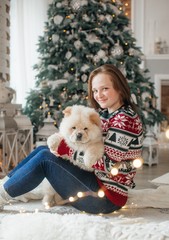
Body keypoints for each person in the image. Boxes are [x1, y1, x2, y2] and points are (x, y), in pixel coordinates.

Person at [0, 64, 143, 214]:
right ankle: (4, 185)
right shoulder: (109, 113)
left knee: (45, 158)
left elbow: (109, 165)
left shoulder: (124, 120)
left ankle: (2, 195)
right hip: (96, 182)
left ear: (119, 88)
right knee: (44, 149)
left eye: (104, 89)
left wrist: (67, 151)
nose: (98, 95)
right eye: (95, 90)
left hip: (106, 198)